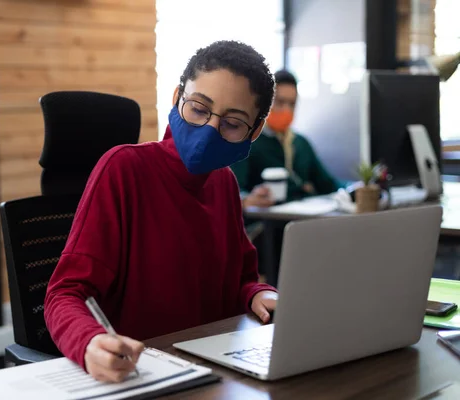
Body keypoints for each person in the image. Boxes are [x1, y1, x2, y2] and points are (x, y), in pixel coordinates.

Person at [44, 40, 278, 383]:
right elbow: (64, 294)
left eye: (232, 123)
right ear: (177, 98)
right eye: (199, 108)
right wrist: (89, 342)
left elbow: (240, 282)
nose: (209, 130)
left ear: (254, 131)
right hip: (140, 373)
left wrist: (259, 294)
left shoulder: (224, 183)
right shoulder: (123, 168)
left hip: (211, 371)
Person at [231, 69, 343, 209]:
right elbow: (231, 192)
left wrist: (359, 188)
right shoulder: (247, 142)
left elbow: (328, 185)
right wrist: (247, 200)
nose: (286, 110)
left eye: (292, 104)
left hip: (302, 220)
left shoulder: (300, 143)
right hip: (266, 224)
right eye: (280, 102)